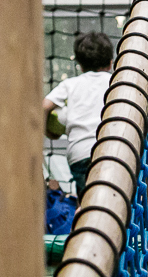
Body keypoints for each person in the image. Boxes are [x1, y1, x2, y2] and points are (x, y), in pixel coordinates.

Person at [43, 31, 114, 194]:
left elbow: (43, 107)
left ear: (80, 65)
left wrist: (49, 132)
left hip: (79, 154)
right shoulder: (114, 82)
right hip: (111, 150)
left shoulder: (70, 84)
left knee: (86, 199)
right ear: (111, 63)